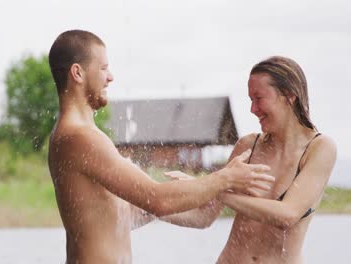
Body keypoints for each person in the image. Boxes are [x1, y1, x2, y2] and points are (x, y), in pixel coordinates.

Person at [47, 29, 274, 263]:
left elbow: (136, 209)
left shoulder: (79, 136)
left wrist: (211, 194)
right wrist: (226, 178)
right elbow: (155, 198)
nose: (110, 76)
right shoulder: (79, 137)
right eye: (103, 68)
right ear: (78, 73)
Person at [166, 56, 337, 263]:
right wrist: (147, 205)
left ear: (290, 95)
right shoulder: (248, 146)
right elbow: (203, 217)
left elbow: (287, 215)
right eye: (250, 100)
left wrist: (213, 188)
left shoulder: (320, 149)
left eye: (259, 98)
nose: (252, 109)